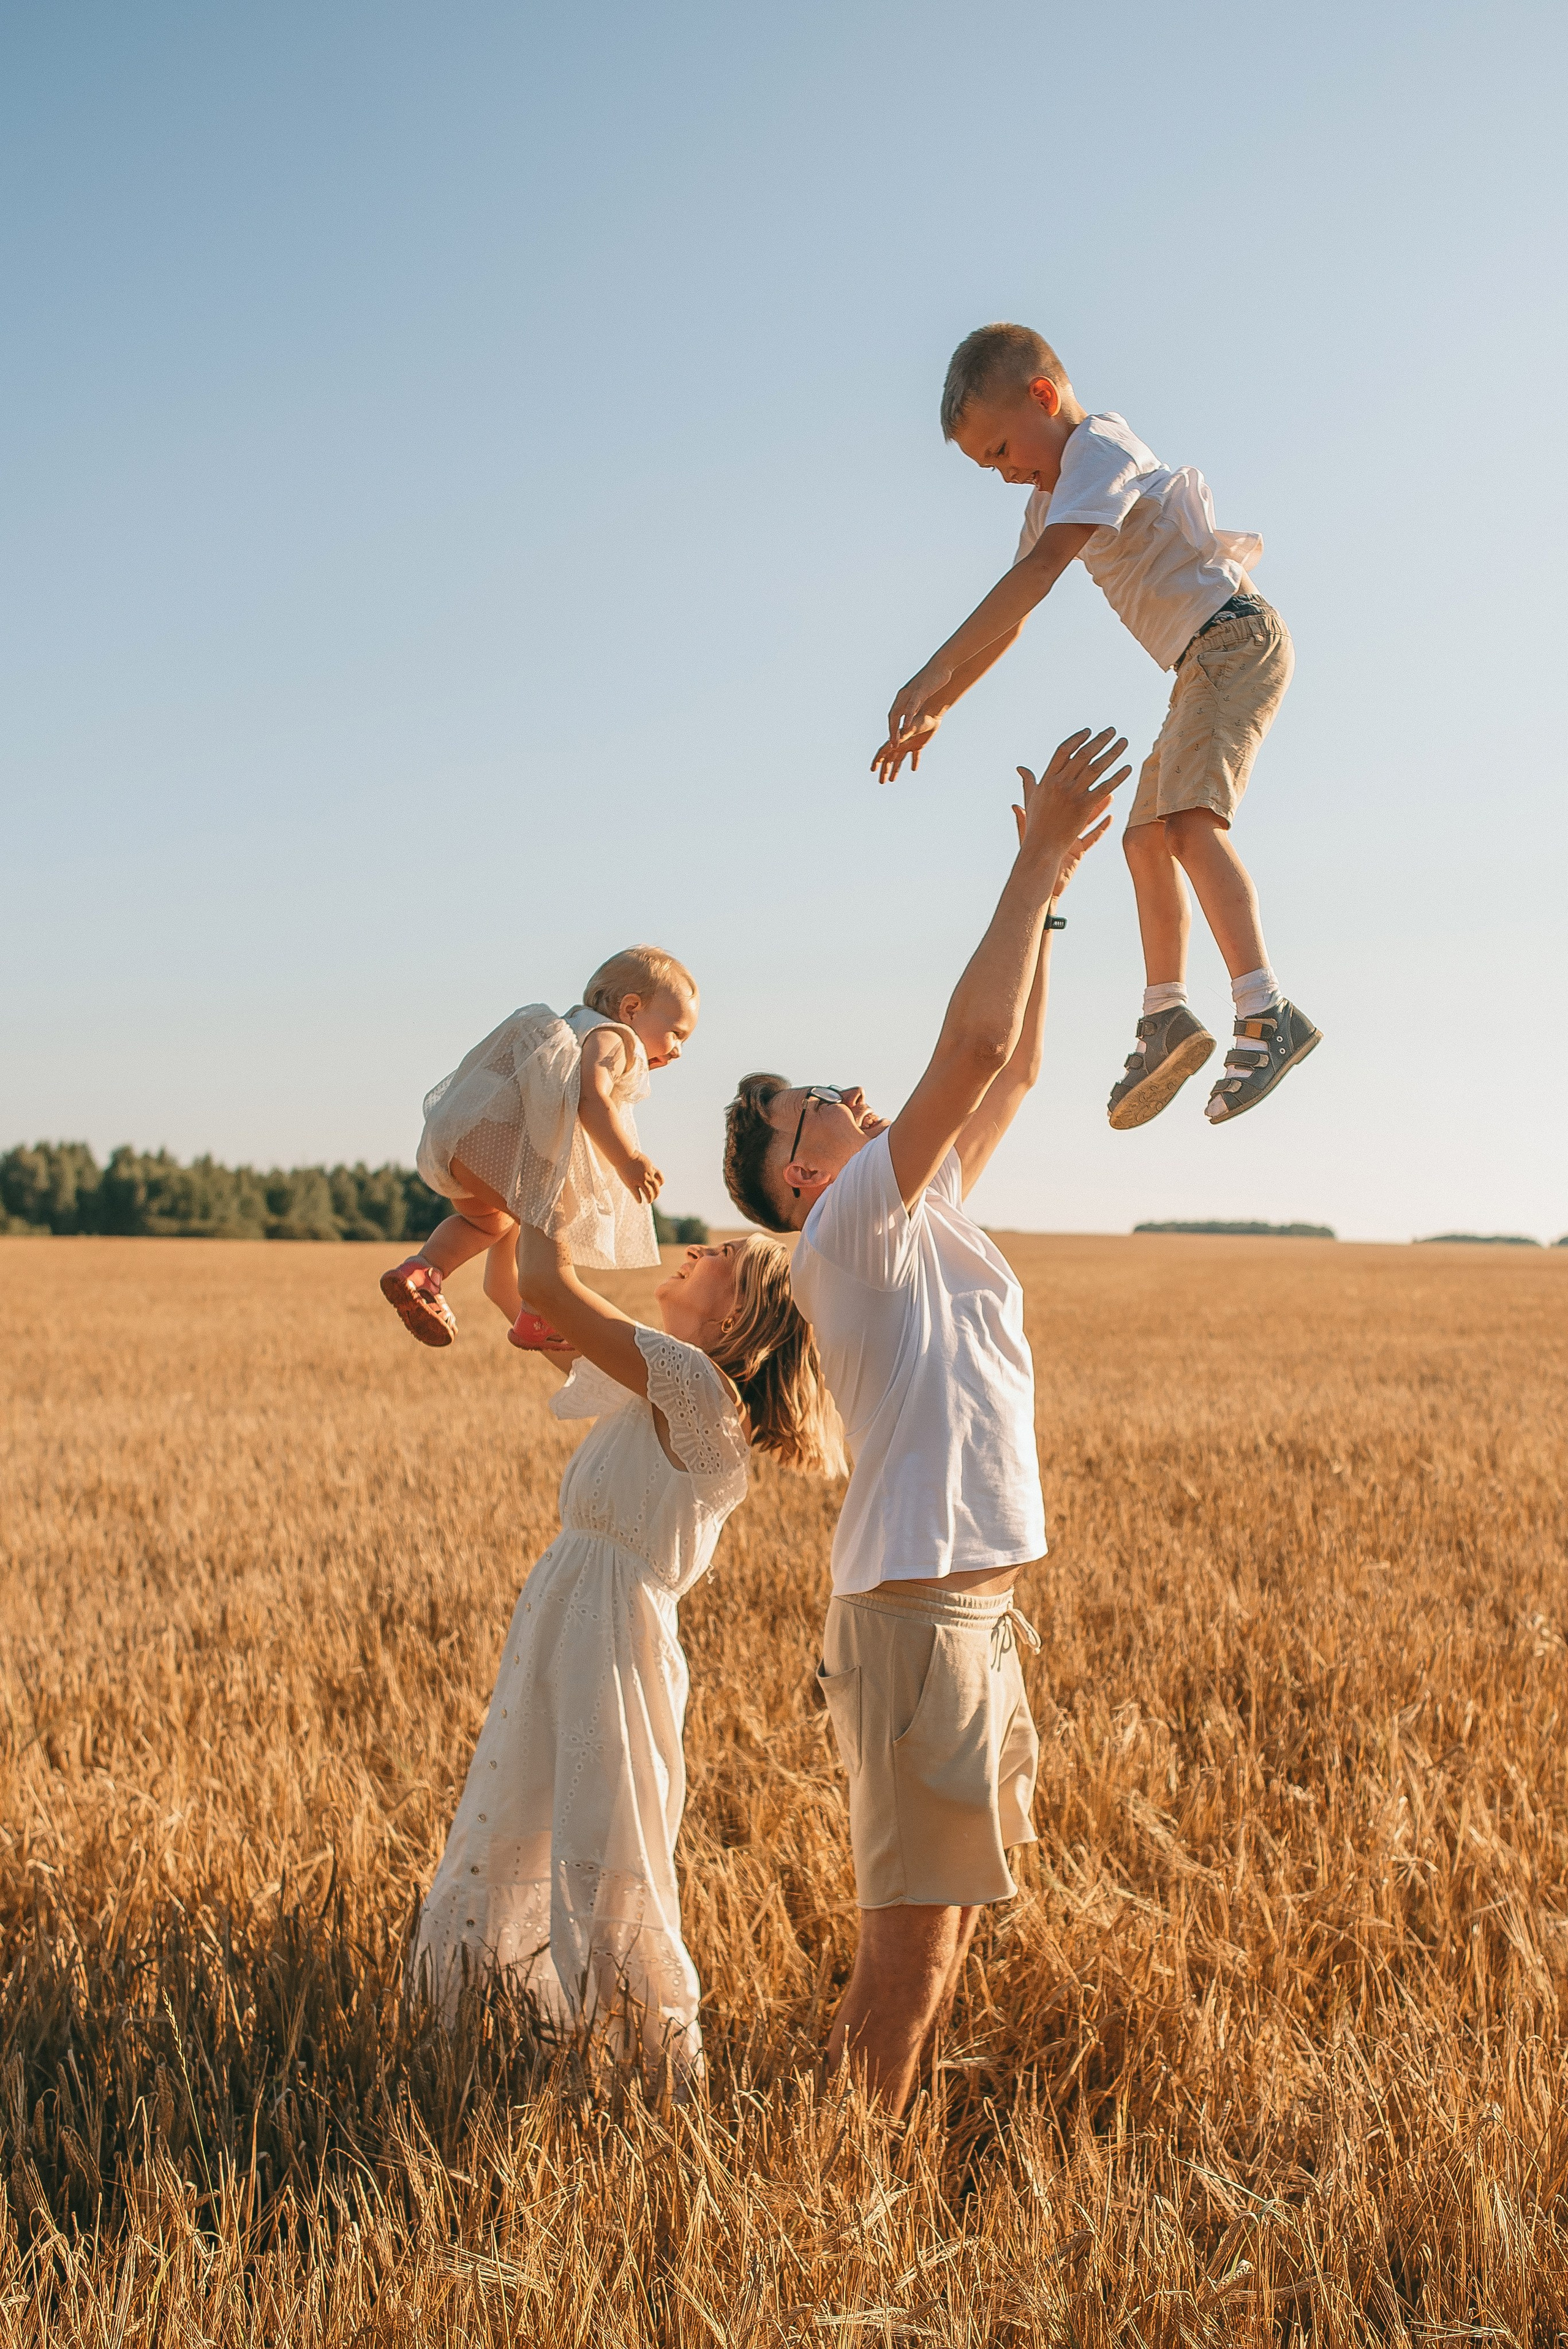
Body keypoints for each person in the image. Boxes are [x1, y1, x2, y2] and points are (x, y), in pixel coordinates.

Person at [721, 728, 1125, 2112]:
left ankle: (859, 2154)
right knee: (903, 1952)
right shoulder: (849, 1227)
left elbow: (1007, 1074)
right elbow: (972, 1039)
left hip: (968, 1614)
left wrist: (1054, 887)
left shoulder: (923, 1204)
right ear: (794, 1186)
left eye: (819, 1087)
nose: (831, 1097)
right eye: (799, 1112)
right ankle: (844, 2179)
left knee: (942, 1930)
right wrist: (1021, 862)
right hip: (914, 1620)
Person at [413, 1225, 842, 2079]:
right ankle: (501, 2027)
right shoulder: (652, 1383)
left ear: (743, 1310)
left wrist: (544, 1154)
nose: (690, 1247)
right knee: (530, 1818)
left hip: (612, 1639)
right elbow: (520, 1290)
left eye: (716, 1250)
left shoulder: (691, 1385)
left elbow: (551, 1281)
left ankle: (644, 2063)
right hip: (569, 1617)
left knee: (603, 1841)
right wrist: (503, 1212)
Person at [874, 322, 1321, 1131]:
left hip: (1234, 637)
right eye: (990, 467)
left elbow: (1042, 573)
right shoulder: (1054, 490)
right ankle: (1166, 1017)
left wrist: (932, 666)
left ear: (1044, 396)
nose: (1007, 474)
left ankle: (1266, 1010)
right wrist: (944, 702)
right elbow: (1012, 613)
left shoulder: (1099, 448)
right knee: (1146, 838)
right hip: (1200, 662)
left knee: (1188, 820)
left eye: (1004, 450)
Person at [379, 945, 696, 1352]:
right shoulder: (615, 1038)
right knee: (554, 1218)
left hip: (463, 1138)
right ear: (632, 1009)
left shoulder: (573, 1025)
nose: (678, 1050)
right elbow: (593, 1099)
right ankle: (538, 1314)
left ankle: (423, 1270)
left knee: (489, 1223)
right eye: (677, 1033)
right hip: (499, 1148)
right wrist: (628, 1159)